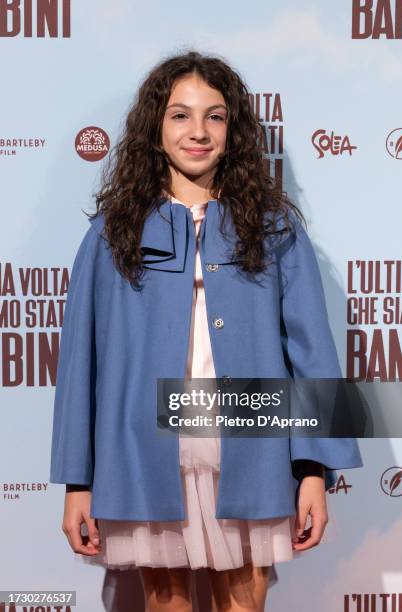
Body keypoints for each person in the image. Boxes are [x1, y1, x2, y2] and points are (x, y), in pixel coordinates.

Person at [50, 50, 363, 612]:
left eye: (215, 116)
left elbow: (310, 353)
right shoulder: (109, 236)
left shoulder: (274, 229)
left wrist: (314, 471)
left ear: (233, 129)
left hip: (251, 443)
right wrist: (78, 483)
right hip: (143, 448)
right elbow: (81, 367)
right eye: (180, 115)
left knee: (242, 603)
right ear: (155, 127)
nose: (198, 131)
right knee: (165, 603)